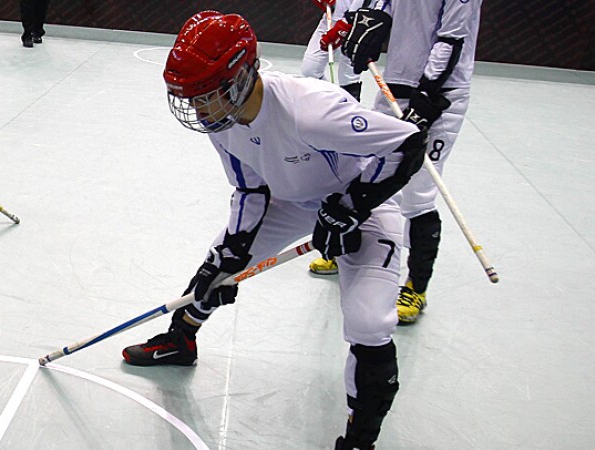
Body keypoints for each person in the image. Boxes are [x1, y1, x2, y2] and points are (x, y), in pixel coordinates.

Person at [119, 12, 439, 449]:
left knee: (368, 323)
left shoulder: (311, 112)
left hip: (363, 202)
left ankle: (360, 439)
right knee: (218, 264)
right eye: (191, 97)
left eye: (204, 95)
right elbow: (249, 186)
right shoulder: (221, 117)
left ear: (240, 78)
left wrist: (351, 207)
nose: (197, 109)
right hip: (290, 201)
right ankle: (181, 340)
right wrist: (232, 254)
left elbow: (406, 144)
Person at [329, 0, 480, 324]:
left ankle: (416, 286)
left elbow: (452, 38)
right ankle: (348, 245)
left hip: (441, 95)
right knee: (368, 171)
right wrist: (365, 23)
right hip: (394, 85)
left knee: (417, 193)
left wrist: (425, 98)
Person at [302, 0, 366, 277]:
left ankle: (347, 124)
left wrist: (349, 20)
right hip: (331, 17)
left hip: (357, 22)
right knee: (309, 69)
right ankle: (322, 117)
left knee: (348, 75)